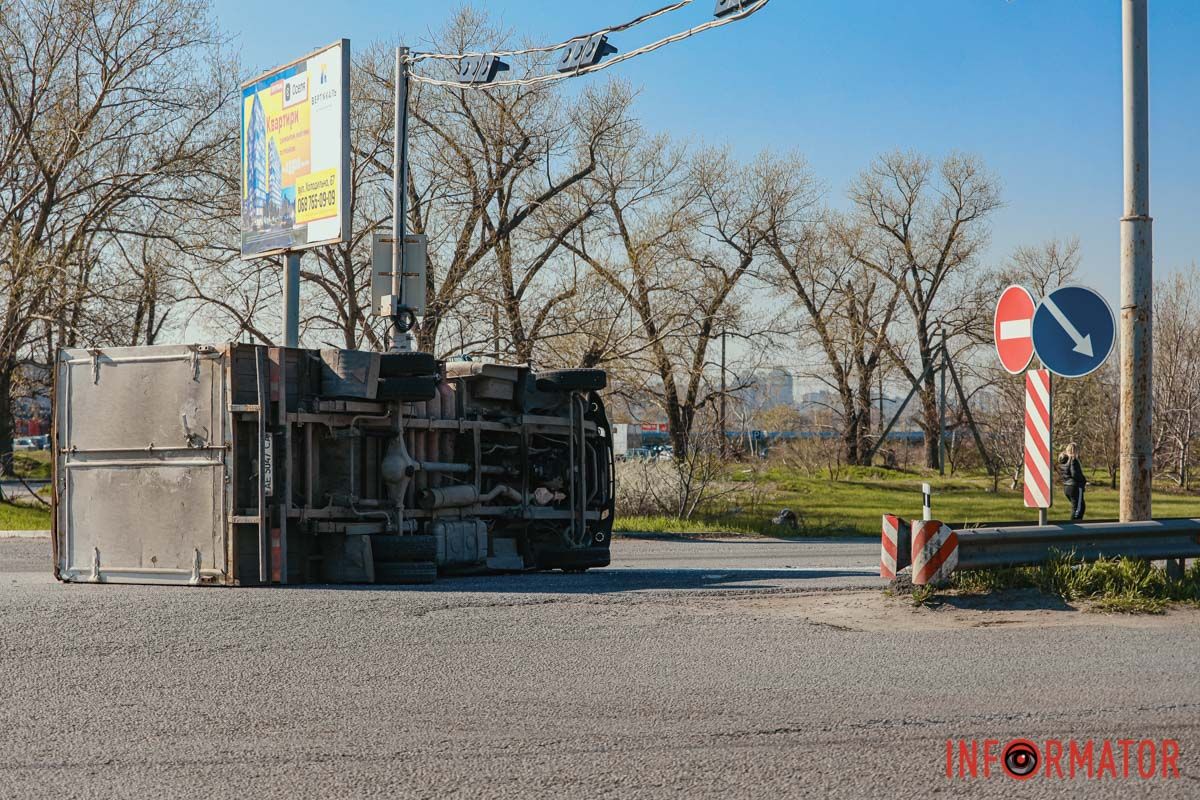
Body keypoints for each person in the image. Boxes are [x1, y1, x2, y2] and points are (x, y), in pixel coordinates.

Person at [1058, 442, 1087, 520]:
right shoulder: (1073, 460)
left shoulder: (1063, 460)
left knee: (1076, 507)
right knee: (1079, 509)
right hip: (1075, 487)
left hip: (1067, 487)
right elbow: (1075, 474)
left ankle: (1074, 523)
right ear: (1075, 450)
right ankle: (1074, 524)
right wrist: (1083, 480)